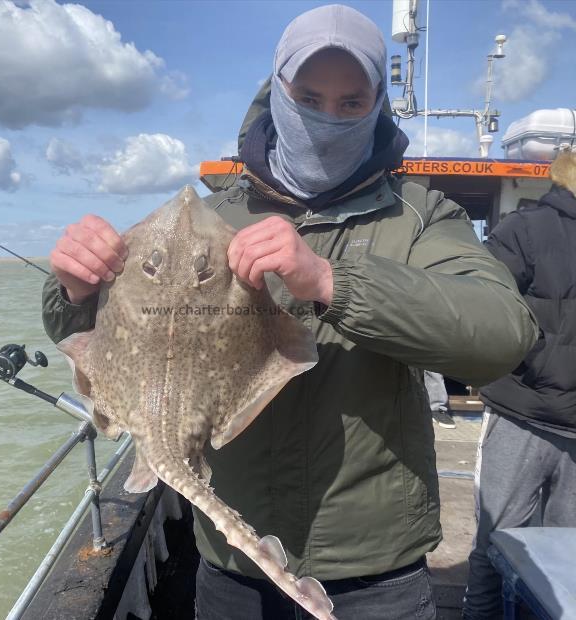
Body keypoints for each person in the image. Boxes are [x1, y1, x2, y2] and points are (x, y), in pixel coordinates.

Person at [43, 5, 537, 618]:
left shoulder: (420, 216)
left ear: (378, 104)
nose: (328, 116)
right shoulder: (213, 215)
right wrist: (74, 289)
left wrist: (333, 280)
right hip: (232, 564)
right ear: (276, 91)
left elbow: (501, 333)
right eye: (309, 96)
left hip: (375, 567)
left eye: (351, 102)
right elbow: (100, 337)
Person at [463, 148, 576, 620]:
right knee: (498, 542)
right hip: (520, 414)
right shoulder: (525, 229)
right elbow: (484, 309)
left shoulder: (519, 226)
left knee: (566, 560)